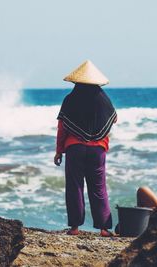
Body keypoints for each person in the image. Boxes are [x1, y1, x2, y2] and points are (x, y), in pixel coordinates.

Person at [54, 60, 117, 237]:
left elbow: (62, 127)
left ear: (77, 82)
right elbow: (113, 119)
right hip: (97, 149)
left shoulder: (70, 99)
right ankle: (104, 229)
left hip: (75, 148)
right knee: (99, 187)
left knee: (75, 186)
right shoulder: (104, 100)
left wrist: (59, 150)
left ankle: (75, 228)